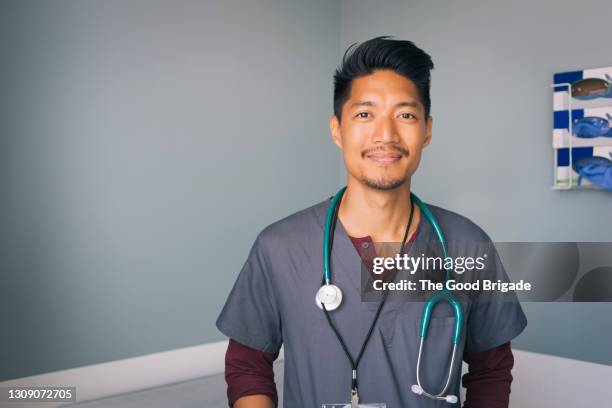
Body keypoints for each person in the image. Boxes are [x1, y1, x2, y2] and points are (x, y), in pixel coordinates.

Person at [216, 36, 527, 408]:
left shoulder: (467, 244)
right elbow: (247, 365)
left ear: (427, 130)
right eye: (365, 114)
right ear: (337, 129)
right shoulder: (280, 247)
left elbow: (490, 368)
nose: (386, 135)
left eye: (405, 115)